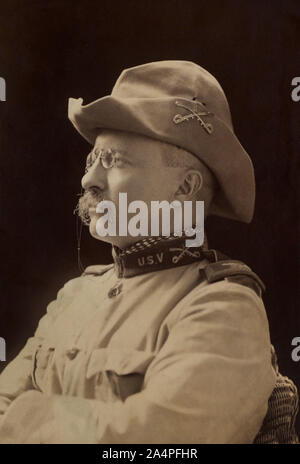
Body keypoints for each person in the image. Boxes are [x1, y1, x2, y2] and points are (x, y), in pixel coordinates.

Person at [0, 61, 295, 444]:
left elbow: (167, 443)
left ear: (185, 188)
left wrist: (30, 416)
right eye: (92, 160)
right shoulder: (75, 296)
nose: (89, 179)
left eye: (115, 160)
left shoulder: (222, 305)